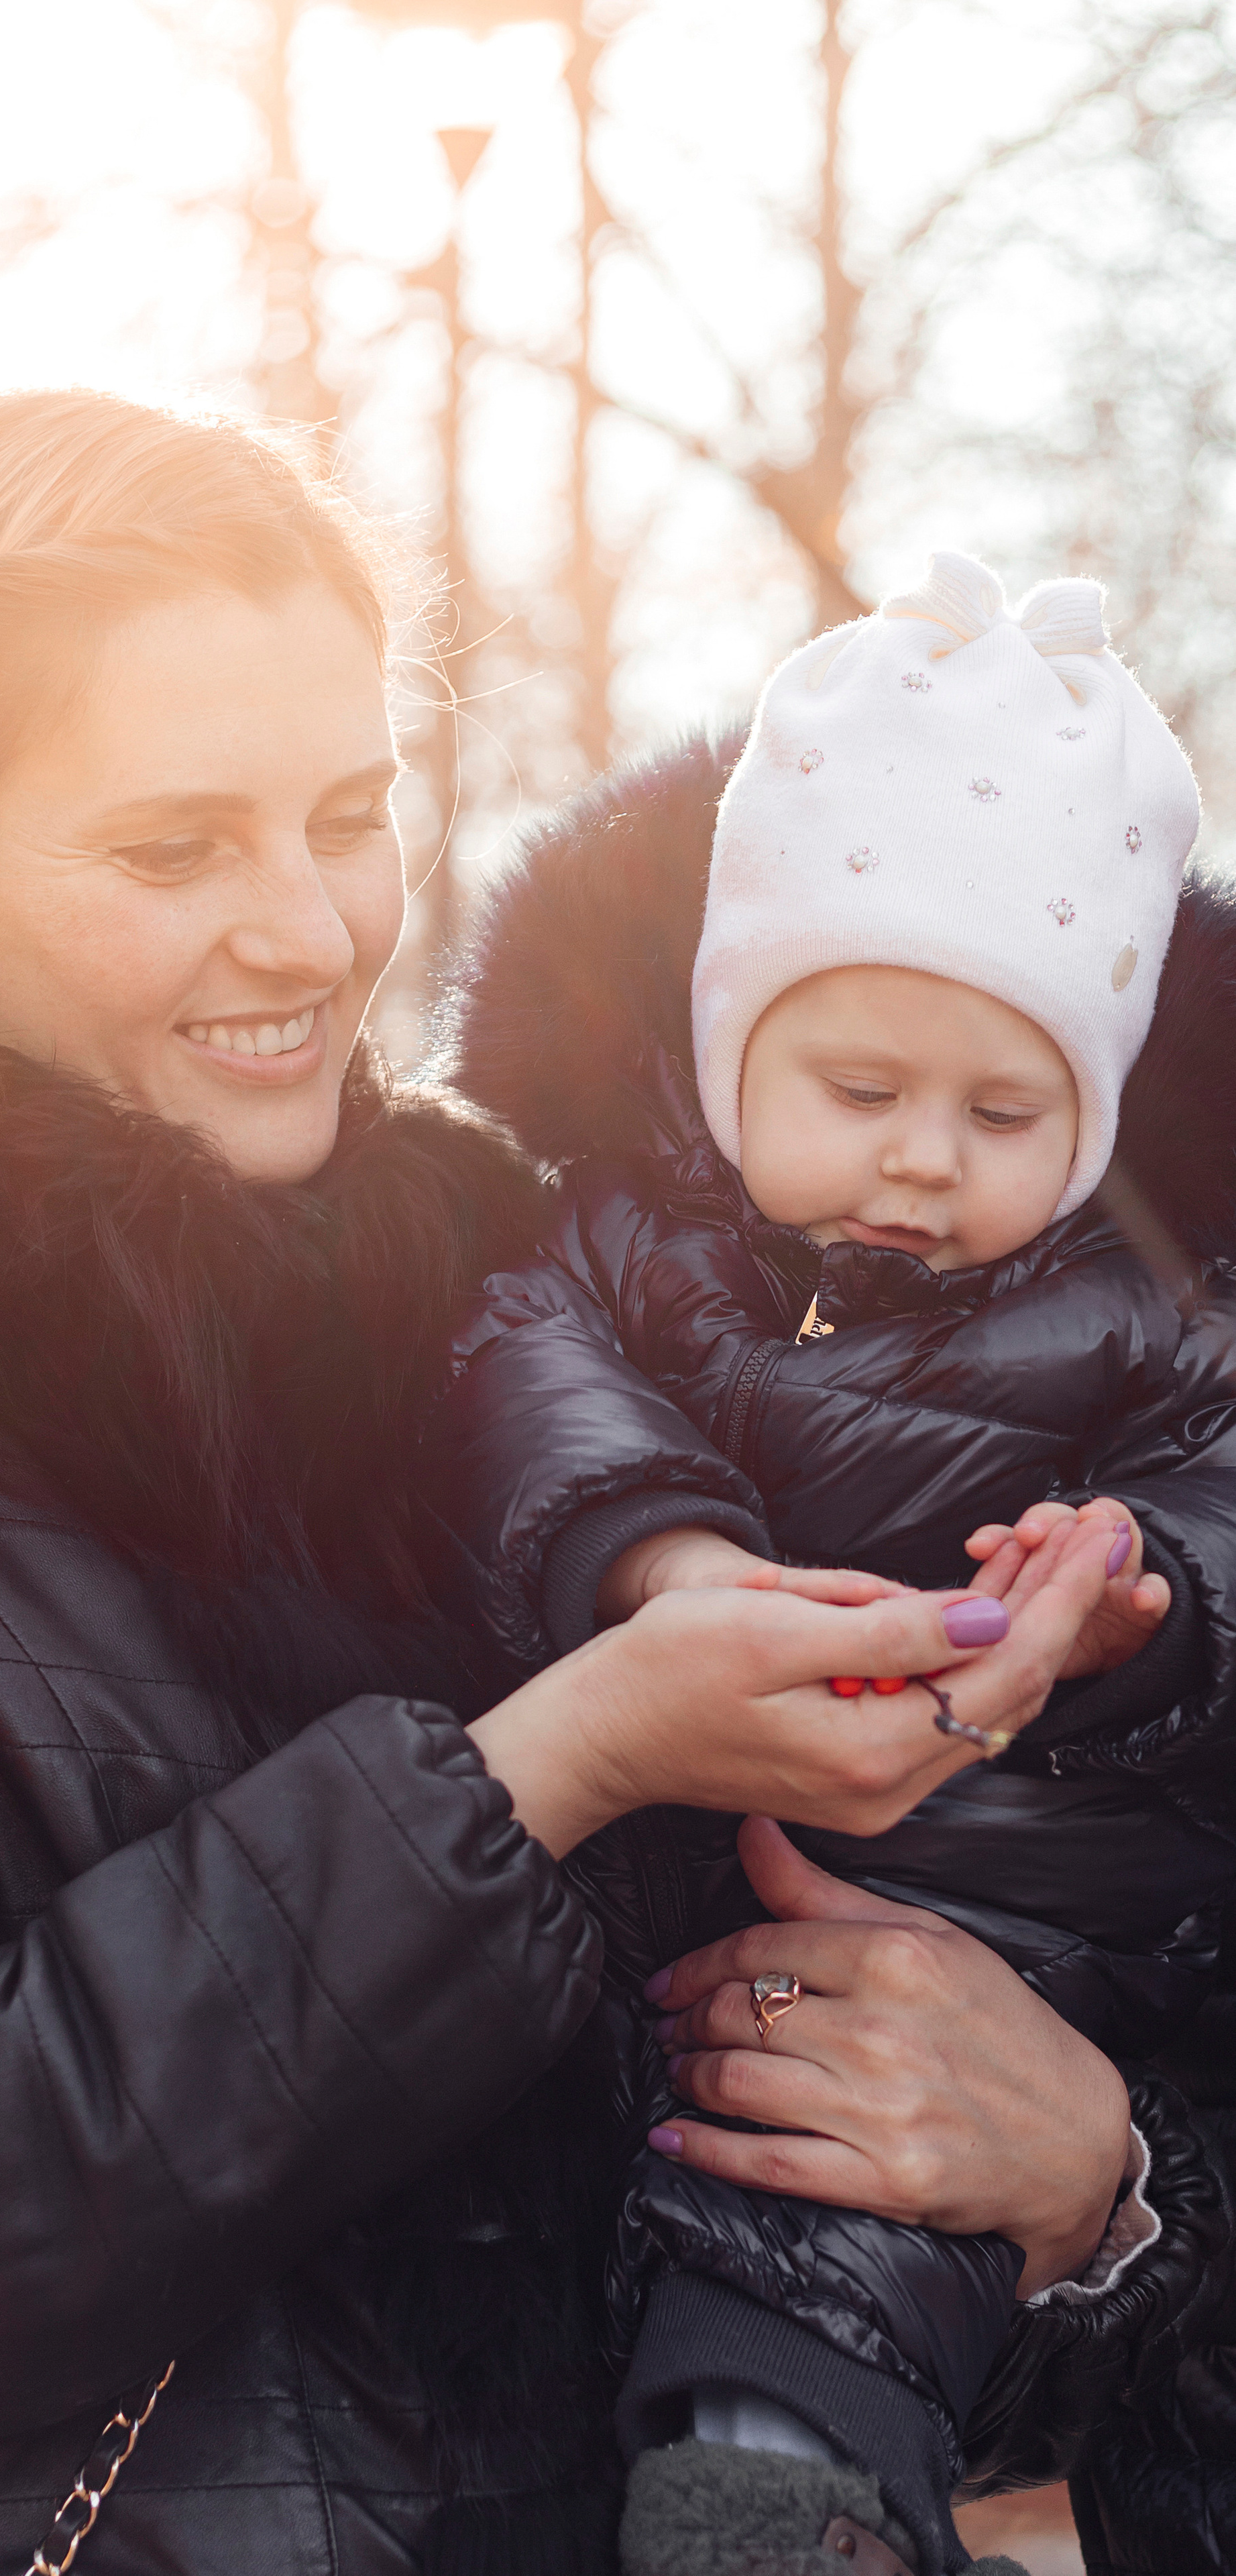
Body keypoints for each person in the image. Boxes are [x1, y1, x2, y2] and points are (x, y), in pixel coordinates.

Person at [0, 420, 1213, 2576]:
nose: (308, 930)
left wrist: (1090, 2190)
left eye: (348, 817)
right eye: (174, 851)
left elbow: (849, 2343)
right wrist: (557, 1768)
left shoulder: (526, 1349)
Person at [435, 550, 1236, 2573]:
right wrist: (664, 1560)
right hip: (698, 1907)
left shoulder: (1152, 1311)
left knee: (847, 2206)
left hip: (1032, 1914)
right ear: (727, 1052)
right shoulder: (622, 1250)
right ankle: (773, 2483)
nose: (923, 1159)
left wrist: (1146, 1605)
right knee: (729, 2147)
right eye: (860, 1090)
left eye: (1006, 1110)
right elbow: (535, 1390)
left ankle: (791, 2508)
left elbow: (1224, 1486)